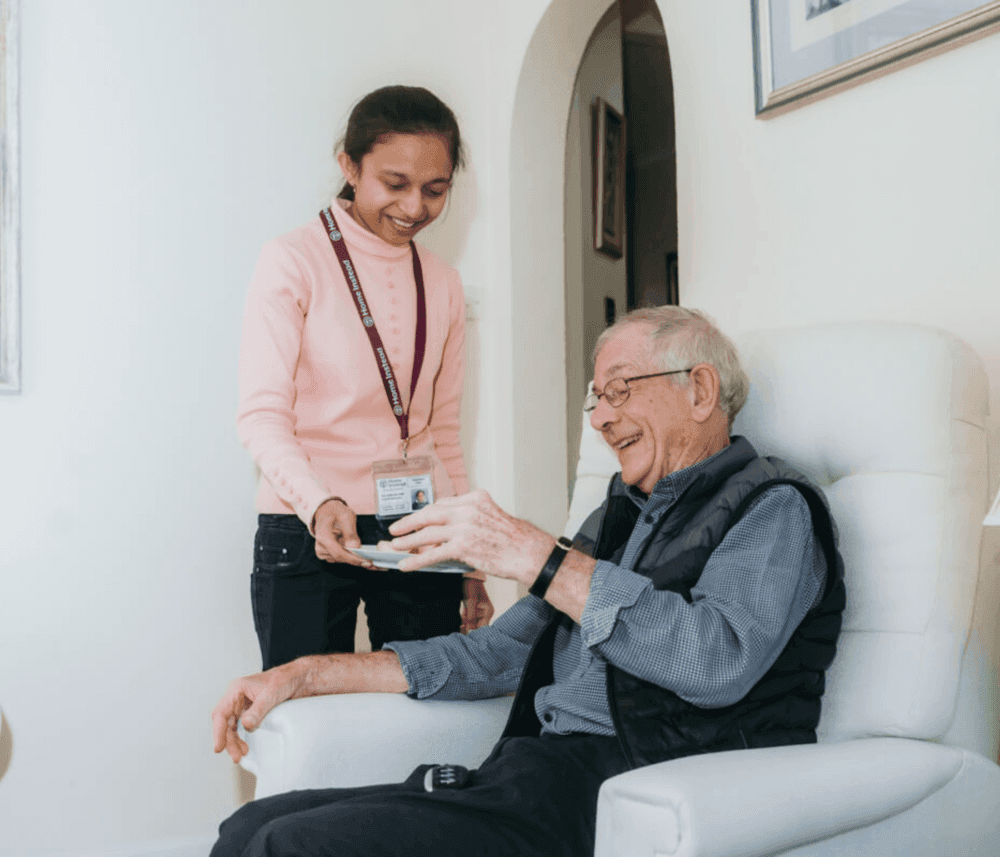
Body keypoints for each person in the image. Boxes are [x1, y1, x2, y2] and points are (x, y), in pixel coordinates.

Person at [212, 306, 846, 857]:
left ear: (701, 390)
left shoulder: (773, 508)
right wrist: (299, 677)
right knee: (251, 827)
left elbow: (716, 660)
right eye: (596, 399)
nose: (600, 418)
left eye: (619, 392)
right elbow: (499, 652)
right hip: (529, 773)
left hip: (618, 791)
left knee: (286, 848)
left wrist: (541, 558)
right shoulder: (620, 515)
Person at [237, 85, 493, 669]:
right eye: (395, 184)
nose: (414, 208)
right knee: (303, 717)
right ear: (349, 166)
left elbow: (443, 432)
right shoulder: (293, 260)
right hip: (306, 522)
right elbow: (260, 416)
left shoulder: (443, 281)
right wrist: (319, 500)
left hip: (417, 524)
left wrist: (467, 557)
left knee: (428, 702)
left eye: (436, 189)